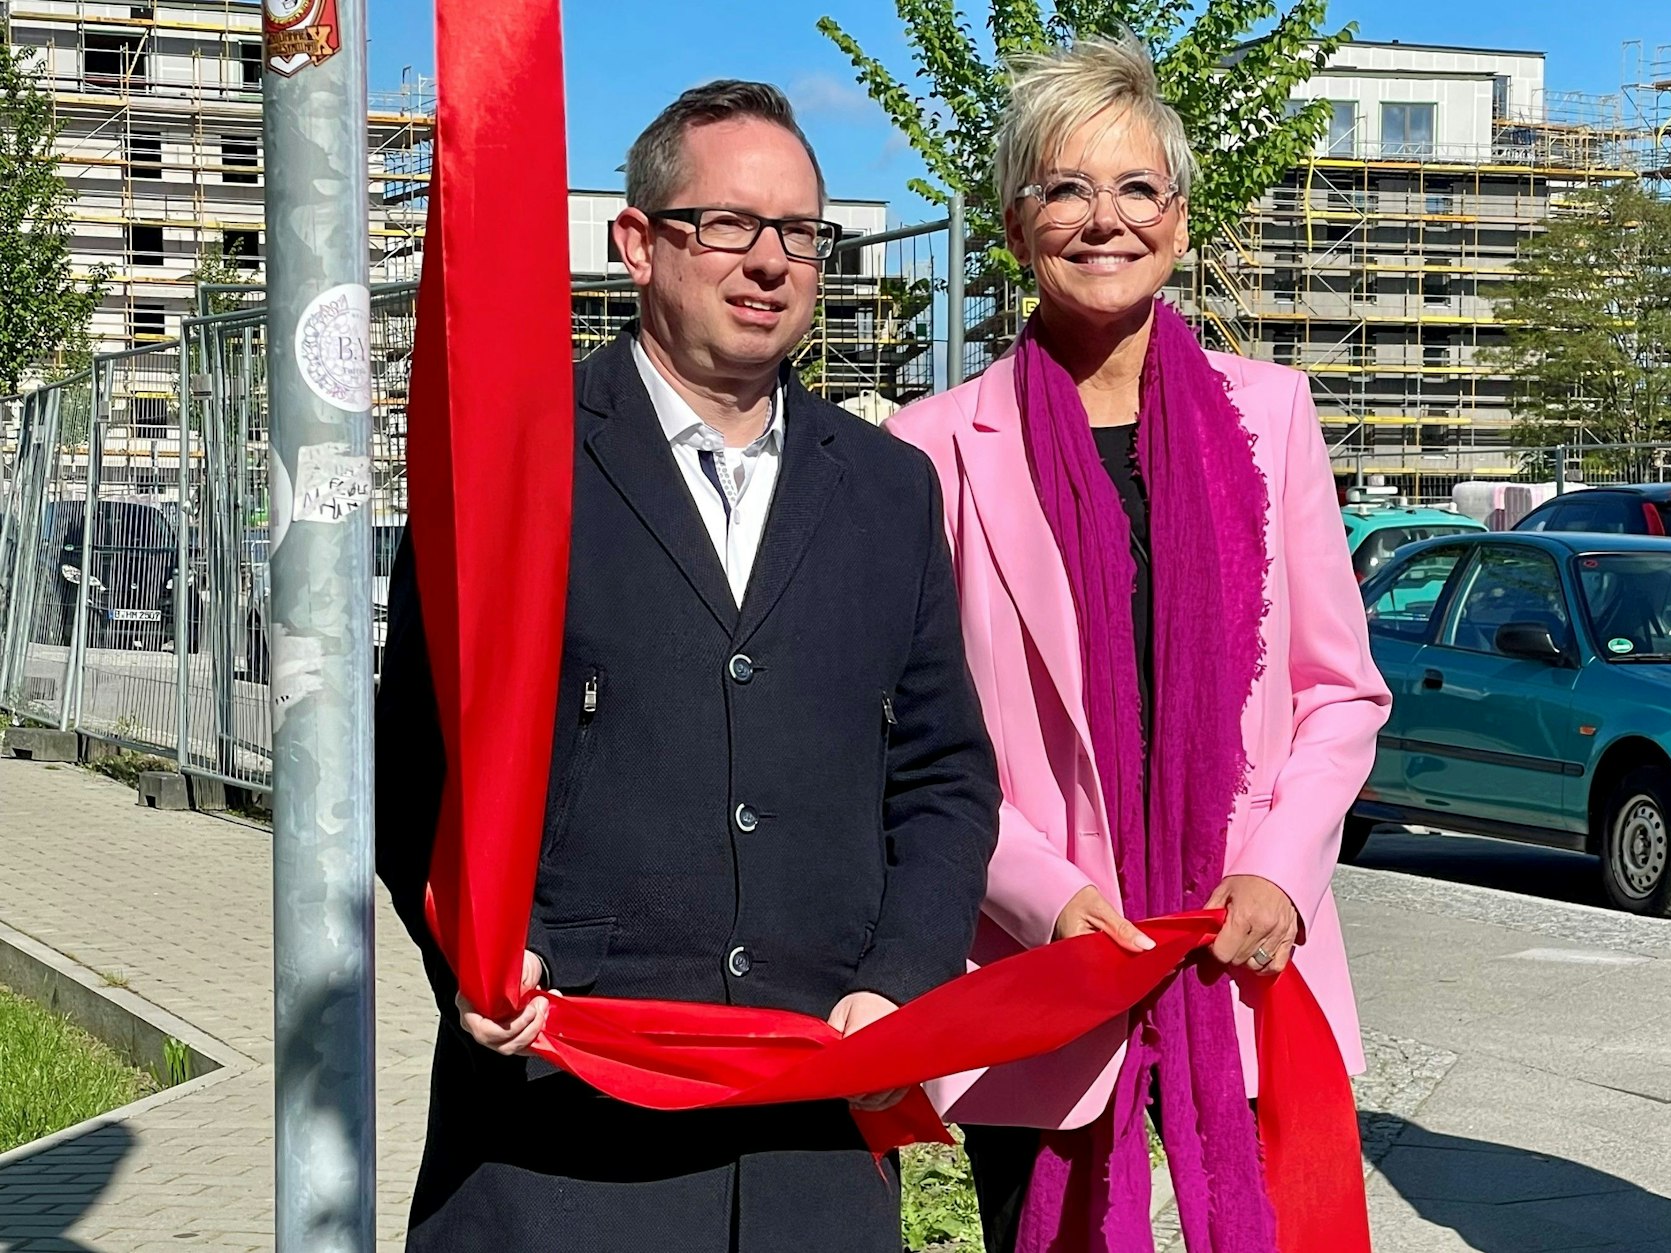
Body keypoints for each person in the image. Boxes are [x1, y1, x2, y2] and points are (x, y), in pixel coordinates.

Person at [375, 81, 1002, 1253]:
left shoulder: (885, 490)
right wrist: (473, 947)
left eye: (800, 233)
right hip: (559, 1141)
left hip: (808, 1144)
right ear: (636, 244)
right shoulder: (512, 463)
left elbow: (942, 774)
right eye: (725, 224)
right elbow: (416, 751)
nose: (767, 261)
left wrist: (903, 976)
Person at [886, 35, 1390, 1253]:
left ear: (1174, 218)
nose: (1100, 220)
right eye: (1064, 188)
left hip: (1240, 944)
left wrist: (1278, 867)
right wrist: (1046, 898)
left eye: (1133, 190)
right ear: (1014, 225)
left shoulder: (1271, 414)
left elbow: (1338, 693)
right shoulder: (931, 445)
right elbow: (905, 726)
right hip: (1041, 960)